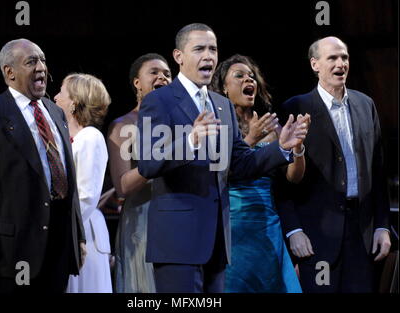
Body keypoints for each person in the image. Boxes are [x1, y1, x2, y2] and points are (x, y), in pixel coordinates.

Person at [137, 23, 309, 293]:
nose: (208, 56)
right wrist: (190, 141)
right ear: (179, 56)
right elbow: (148, 164)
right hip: (178, 243)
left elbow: (240, 164)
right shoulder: (160, 101)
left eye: (213, 49)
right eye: (199, 49)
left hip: (218, 242)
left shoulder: (222, 104)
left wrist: (282, 148)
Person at [0, 38, 86, 293]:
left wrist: (78, 236)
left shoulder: (55, 111)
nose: (41, 67)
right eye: (31, 62)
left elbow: (66, 175)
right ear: (10, 72)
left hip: (59, 246)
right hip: (14, 251)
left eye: (43, 60)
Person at [276, 36, 391, 293]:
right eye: (332, 58)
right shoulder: (296, 106)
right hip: (316, 236)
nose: (341, 63)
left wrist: (382, 225)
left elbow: (378, 171)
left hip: (363, 234)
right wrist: (293, 229)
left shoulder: (365, 104)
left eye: (344, 57)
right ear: (315, 64)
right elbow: (282, 180)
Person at [210, 54, 308, 292]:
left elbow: (294, 177)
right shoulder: (216, 124)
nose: (248, 79)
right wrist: (251, 138)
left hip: (268, 223)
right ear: (224, 88)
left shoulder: (272, 125)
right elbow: (220, 172)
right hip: (233, 223)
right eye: (239, 76)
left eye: (251, 76)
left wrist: (297, 147)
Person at [107, 53, 172, 293]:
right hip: (143, 223)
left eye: (167, 74)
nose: (162, 77)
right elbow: (122, 186)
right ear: (137, 82)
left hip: (178, 218)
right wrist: (164, 159)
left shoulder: (182, 123)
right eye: (154, 72)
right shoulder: (124, 125)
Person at [54, 73, 112, 293]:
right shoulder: (62, 138)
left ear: (74, 103)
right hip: (70, 232)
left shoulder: (90, 137)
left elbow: (86, 195)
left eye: (61, 92)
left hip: (82, 232)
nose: (56, 97)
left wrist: (62, 228)